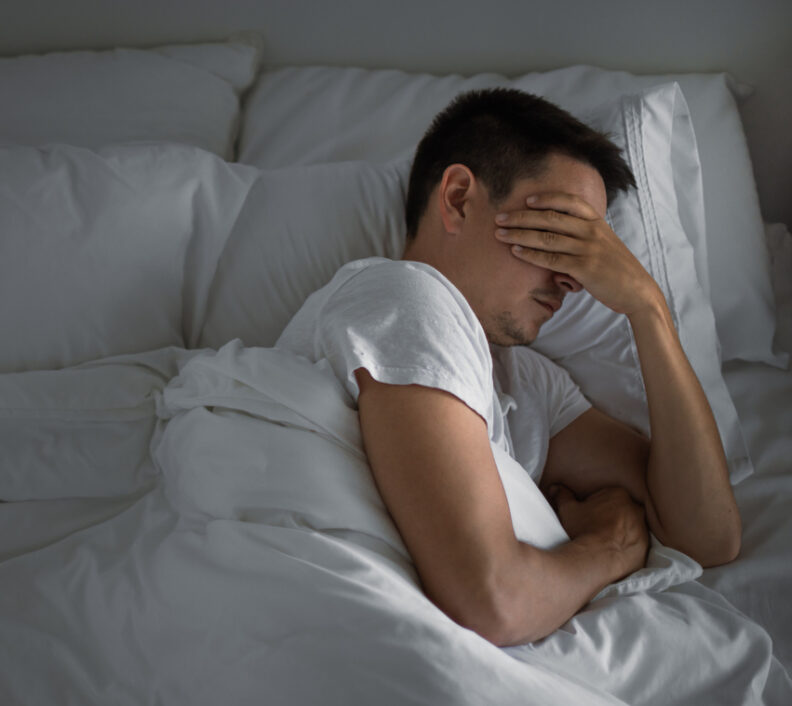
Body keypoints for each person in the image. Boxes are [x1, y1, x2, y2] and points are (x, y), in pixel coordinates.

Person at [275, 88, 741, 647]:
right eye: (562, 232)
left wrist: (648, 308)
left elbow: (708, 536)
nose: (574, 278)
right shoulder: (404, 298)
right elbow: (492, 601)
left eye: (594, 250)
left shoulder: (528, 382)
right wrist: (608, 549)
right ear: (458, 199)